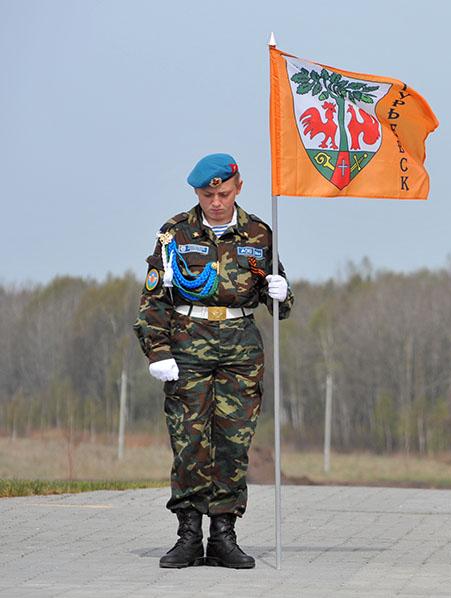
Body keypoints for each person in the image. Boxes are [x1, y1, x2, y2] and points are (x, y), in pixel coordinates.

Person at [133, 153, 293, 569]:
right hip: (188, 344)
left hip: (240, 348)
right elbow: (154, 298)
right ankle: (188, 534)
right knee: (189, 442)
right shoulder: (175, 232)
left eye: (223, 193)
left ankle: (223, 534)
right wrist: (158, 351)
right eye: (208, 195)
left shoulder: (259, 232)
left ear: (238, 187)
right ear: (197, 194)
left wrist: (281, 291)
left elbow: (281, 304)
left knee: (232, 444)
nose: (216, 202)